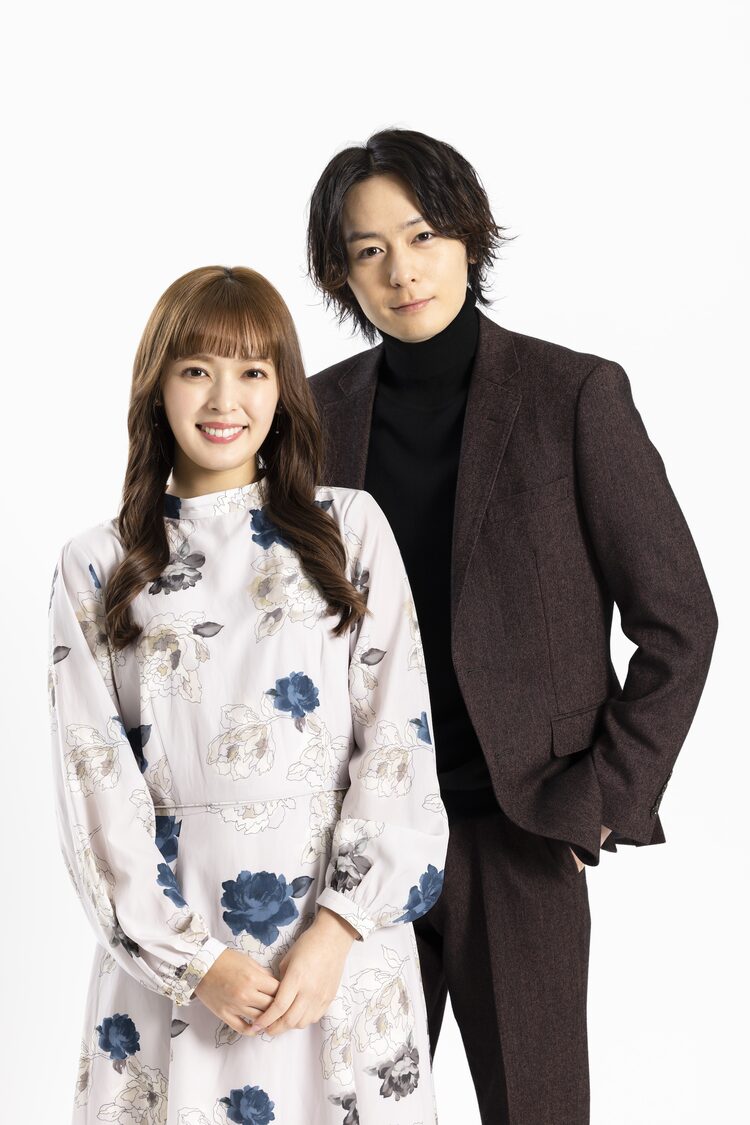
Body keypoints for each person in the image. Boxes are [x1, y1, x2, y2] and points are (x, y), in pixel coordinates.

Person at [305, 128, 719, 1124]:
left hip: (519, 832)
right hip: (352, 847)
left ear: (468, 235)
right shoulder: (312, 416)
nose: (403, 271)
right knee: (338, 1110)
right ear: (341, 274)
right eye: (369, 250)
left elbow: (679, 619)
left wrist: (601, 801)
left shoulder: (573, 395)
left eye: (423, 235)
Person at [47, 264, 448, 1124]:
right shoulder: (99, 565)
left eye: (252, 370)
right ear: (157, 386)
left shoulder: (349, 532)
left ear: (283, 388)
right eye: (196, 368)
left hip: (338, 955)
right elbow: (93, 782)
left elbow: (399, 743)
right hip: (174, 966)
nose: (224, 398)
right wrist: (194, 963)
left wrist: (337, 929)